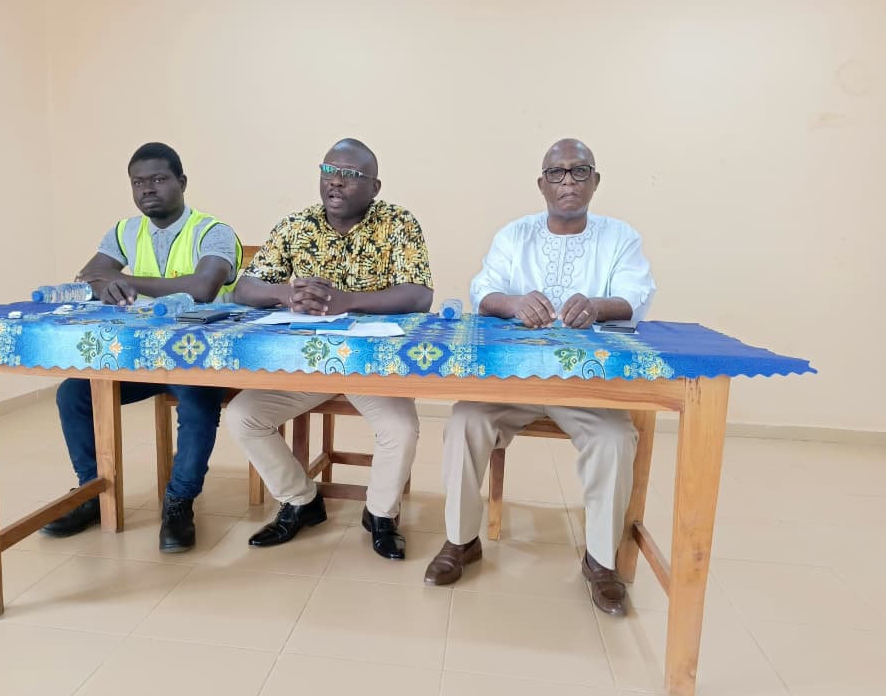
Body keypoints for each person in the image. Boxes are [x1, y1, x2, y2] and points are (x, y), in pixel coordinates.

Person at [424, 138, 656, 615]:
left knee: (615, 438)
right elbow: (483, 289)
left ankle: (600, 559)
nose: (567, 181)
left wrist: (597, 306)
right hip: (513, 381)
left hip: (586, 386)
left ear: (596, 181)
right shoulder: (515, 235)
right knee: (465, 419)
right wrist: (512, 303)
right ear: (541, 184)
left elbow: (636, 297)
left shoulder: (620, 238)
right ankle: (461, 540)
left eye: (578, 171)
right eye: (556, 173)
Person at [225, 138, 433, 560]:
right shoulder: (296, 225)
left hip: (373, 367)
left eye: (351, 175)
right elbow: (242, 289)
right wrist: (286, 294)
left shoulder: (398, 223)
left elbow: (418, 296)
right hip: (304, 365)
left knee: (400, 429)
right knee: (243, 416)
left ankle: (380, 514)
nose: (336, 181)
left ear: (375, 187)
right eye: (329, 170)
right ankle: (301, 501)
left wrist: (347, 300)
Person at [41, 142, 242, 553]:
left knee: (197, 401)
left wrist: (126, 283)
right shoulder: (124, 231)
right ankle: (93, 494)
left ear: (181, 182)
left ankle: (179, 502)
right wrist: (102, 281)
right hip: (140, 357)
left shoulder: (213, 231)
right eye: (138, 182)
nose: (147, 189)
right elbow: (89, 275)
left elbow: (204, 287)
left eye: (158, 179)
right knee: (73, 394)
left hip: (199, 358)